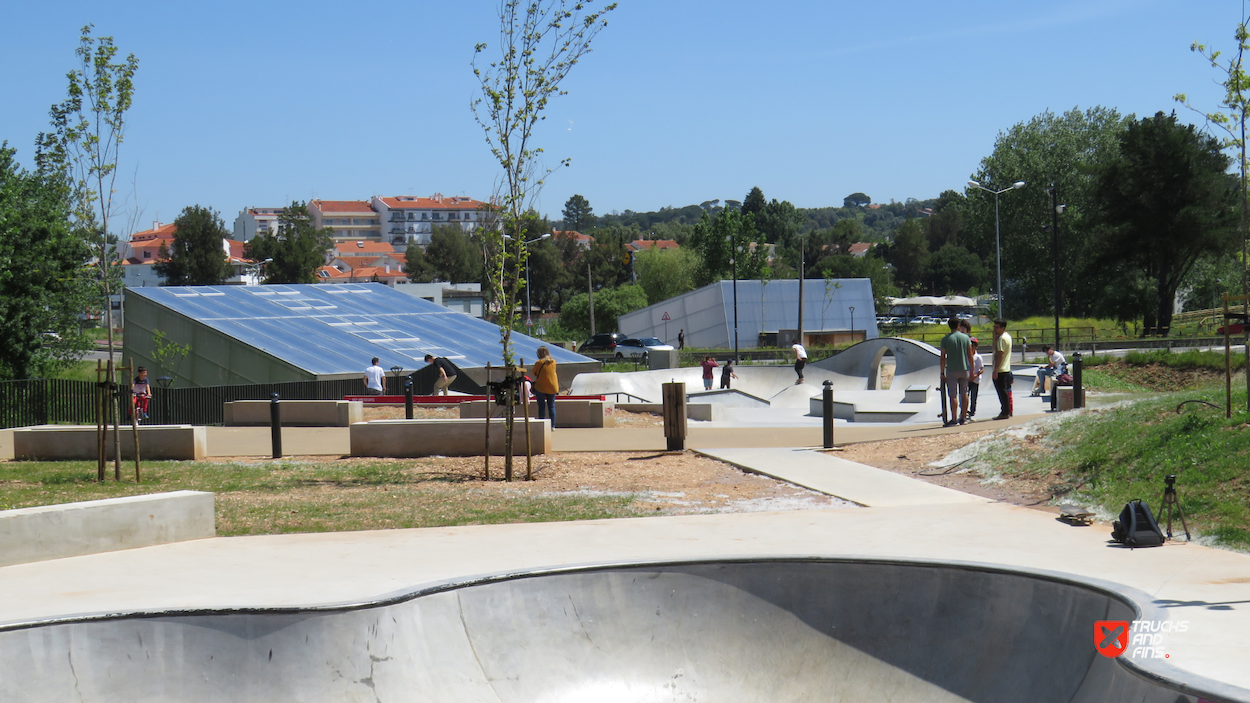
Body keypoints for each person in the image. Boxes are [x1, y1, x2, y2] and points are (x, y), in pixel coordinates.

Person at [939, 317, 973, 426]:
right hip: (964, 368)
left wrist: (942, 372)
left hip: (952, 370)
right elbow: (970, 355)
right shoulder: (966, 338)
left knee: (953, 395)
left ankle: (954, 419)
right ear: (958, 325)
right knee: (964, 393)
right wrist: (972, 369)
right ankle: (963, 417)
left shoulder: (945, 339)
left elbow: (943, 357)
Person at [532, 345, 559, 430]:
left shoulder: (538, 362)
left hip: (541, 386)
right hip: (552, 386)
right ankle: (553, 425)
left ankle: (542, 424)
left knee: (541, 406)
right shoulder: (553, 362)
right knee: (551, 406)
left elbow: (534, 373)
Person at [991, 319, 1013, 420]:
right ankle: (1006, 411)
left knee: (1002, 392)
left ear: (1002, 328)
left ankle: (1005, 412)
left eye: (997, 327)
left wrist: (996, 370)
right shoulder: (1007, 337)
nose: (994, 329)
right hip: (1006, 369)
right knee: (1004, 392)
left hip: (1001, 370)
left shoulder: (1001, 339)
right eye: (994, 327)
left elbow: (1000, 354)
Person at [969, 337, 984, 420]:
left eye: (973, 345)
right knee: (965, 395)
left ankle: (972, 411)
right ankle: (965, 410)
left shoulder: (978, 357)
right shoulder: (966, 356)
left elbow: (982, 369)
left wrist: (976, 375)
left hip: (975, 379)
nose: (971, 347)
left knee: (973, 396)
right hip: (967, 379)